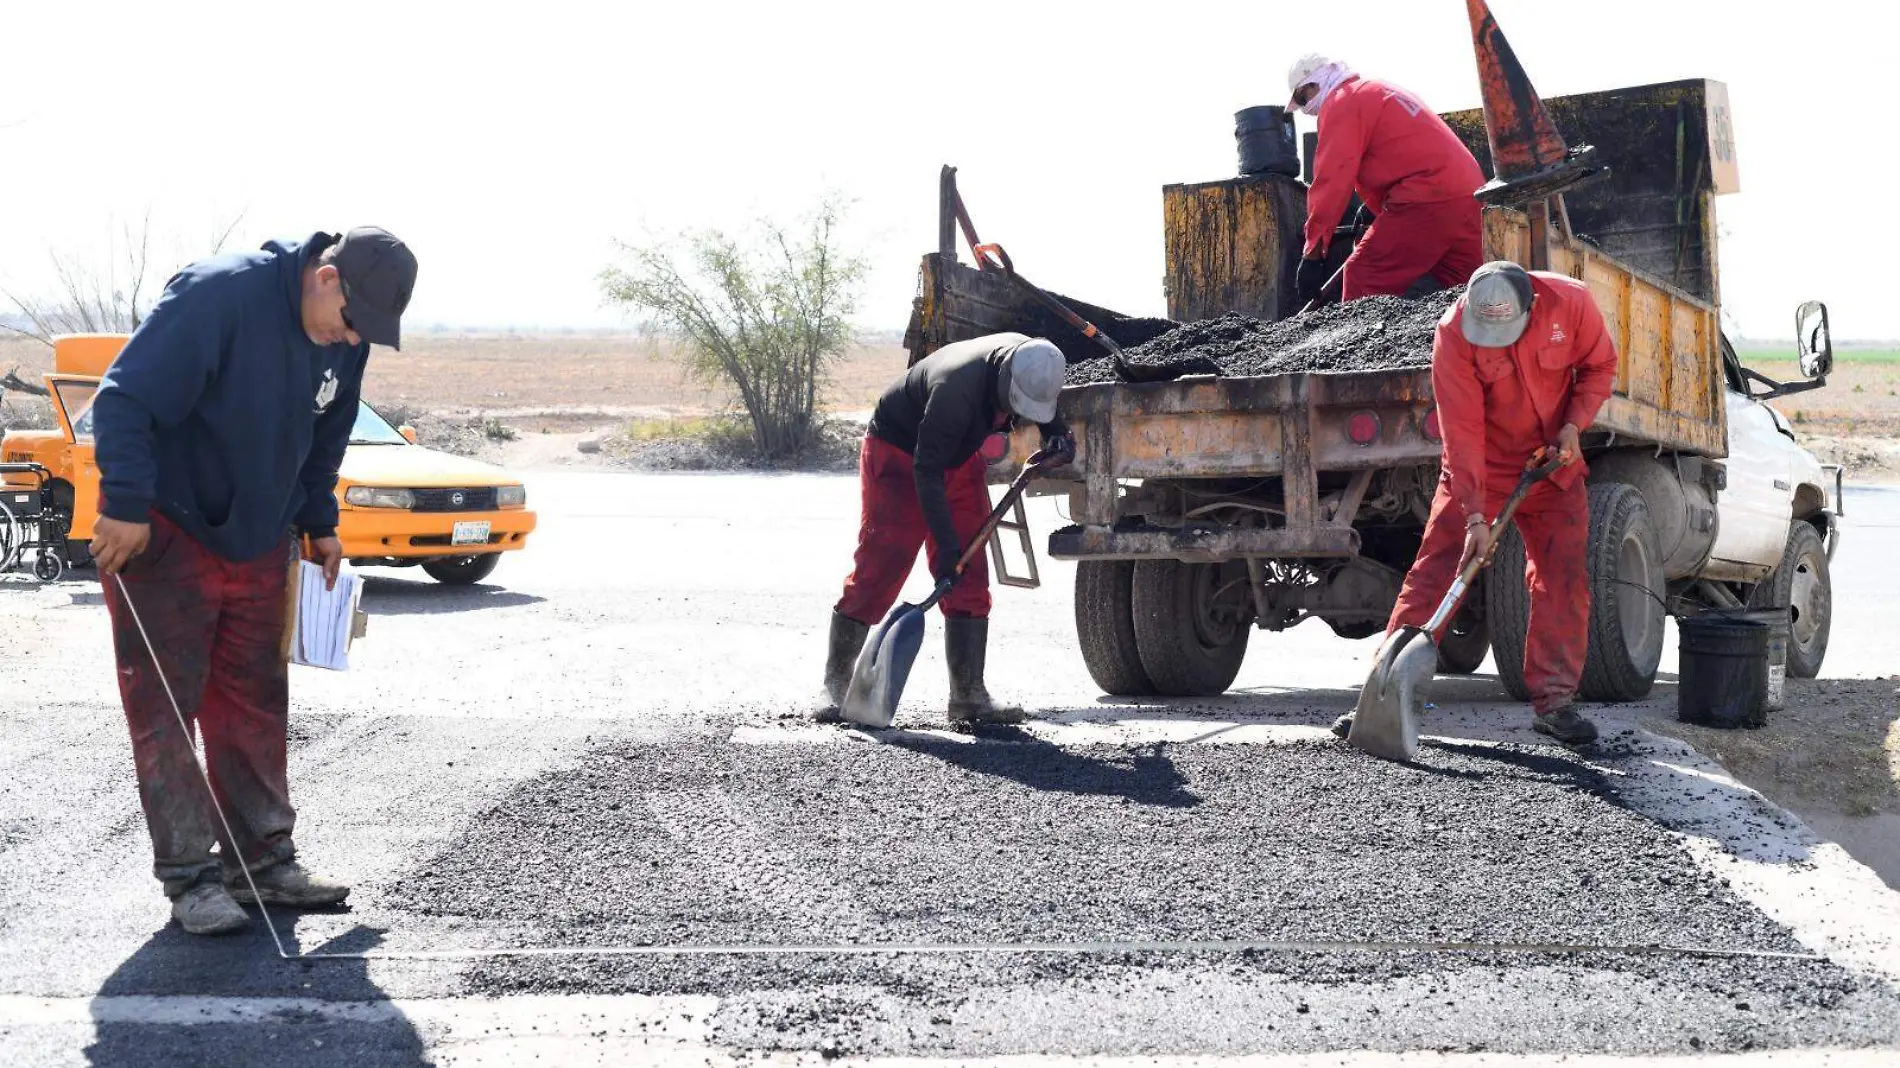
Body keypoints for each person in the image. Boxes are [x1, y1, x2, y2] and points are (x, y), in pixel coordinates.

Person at [89, 227, 419, 935]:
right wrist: (121, 505)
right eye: (351, 323)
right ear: (327, 279)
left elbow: (325, 434)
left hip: (259, 536)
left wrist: (318, 519)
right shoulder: (221, 295)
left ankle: (263, 865)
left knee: (255, 702)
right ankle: (190, 879)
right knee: (167, 711)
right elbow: (123, 401)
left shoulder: (344, 341)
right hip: (166, 529)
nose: (350, 340)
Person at [1336, 261, 1617, 745]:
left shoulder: (1571, 304)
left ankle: (1554, 702)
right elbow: (1461, 433)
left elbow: (1600, 365)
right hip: (1481, 469)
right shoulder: (1453, 333)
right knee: (1437, 572)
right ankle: (1382, 695)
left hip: (1553, 464)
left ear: (1531, 307)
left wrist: (1574, 423)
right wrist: (1472, 515)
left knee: (1562, 578)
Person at [818, 333, 1075, 726]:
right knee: (882, 563)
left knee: (970, 572)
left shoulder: (1036, 360)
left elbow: (1043, 403)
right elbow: (926, 469)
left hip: (956, 457)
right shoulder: (955, 392)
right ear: (1004, 377)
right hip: (901, 454)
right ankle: (834, 686)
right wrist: (946, 549)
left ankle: (969, 696)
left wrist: (1057, 431)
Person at [1287, 54, 1487, 307]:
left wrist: (1313, 252)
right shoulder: (1378, 89)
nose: (1306, 109)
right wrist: (1376, 208)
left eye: (1303, 99)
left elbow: (1331, 180)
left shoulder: (1341, 102)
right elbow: (1402, 148)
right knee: (1480, 292)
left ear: (1315, 83)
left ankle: (1357, 345)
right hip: (1469, 194)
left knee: (1365, 276)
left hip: (1427, 195)